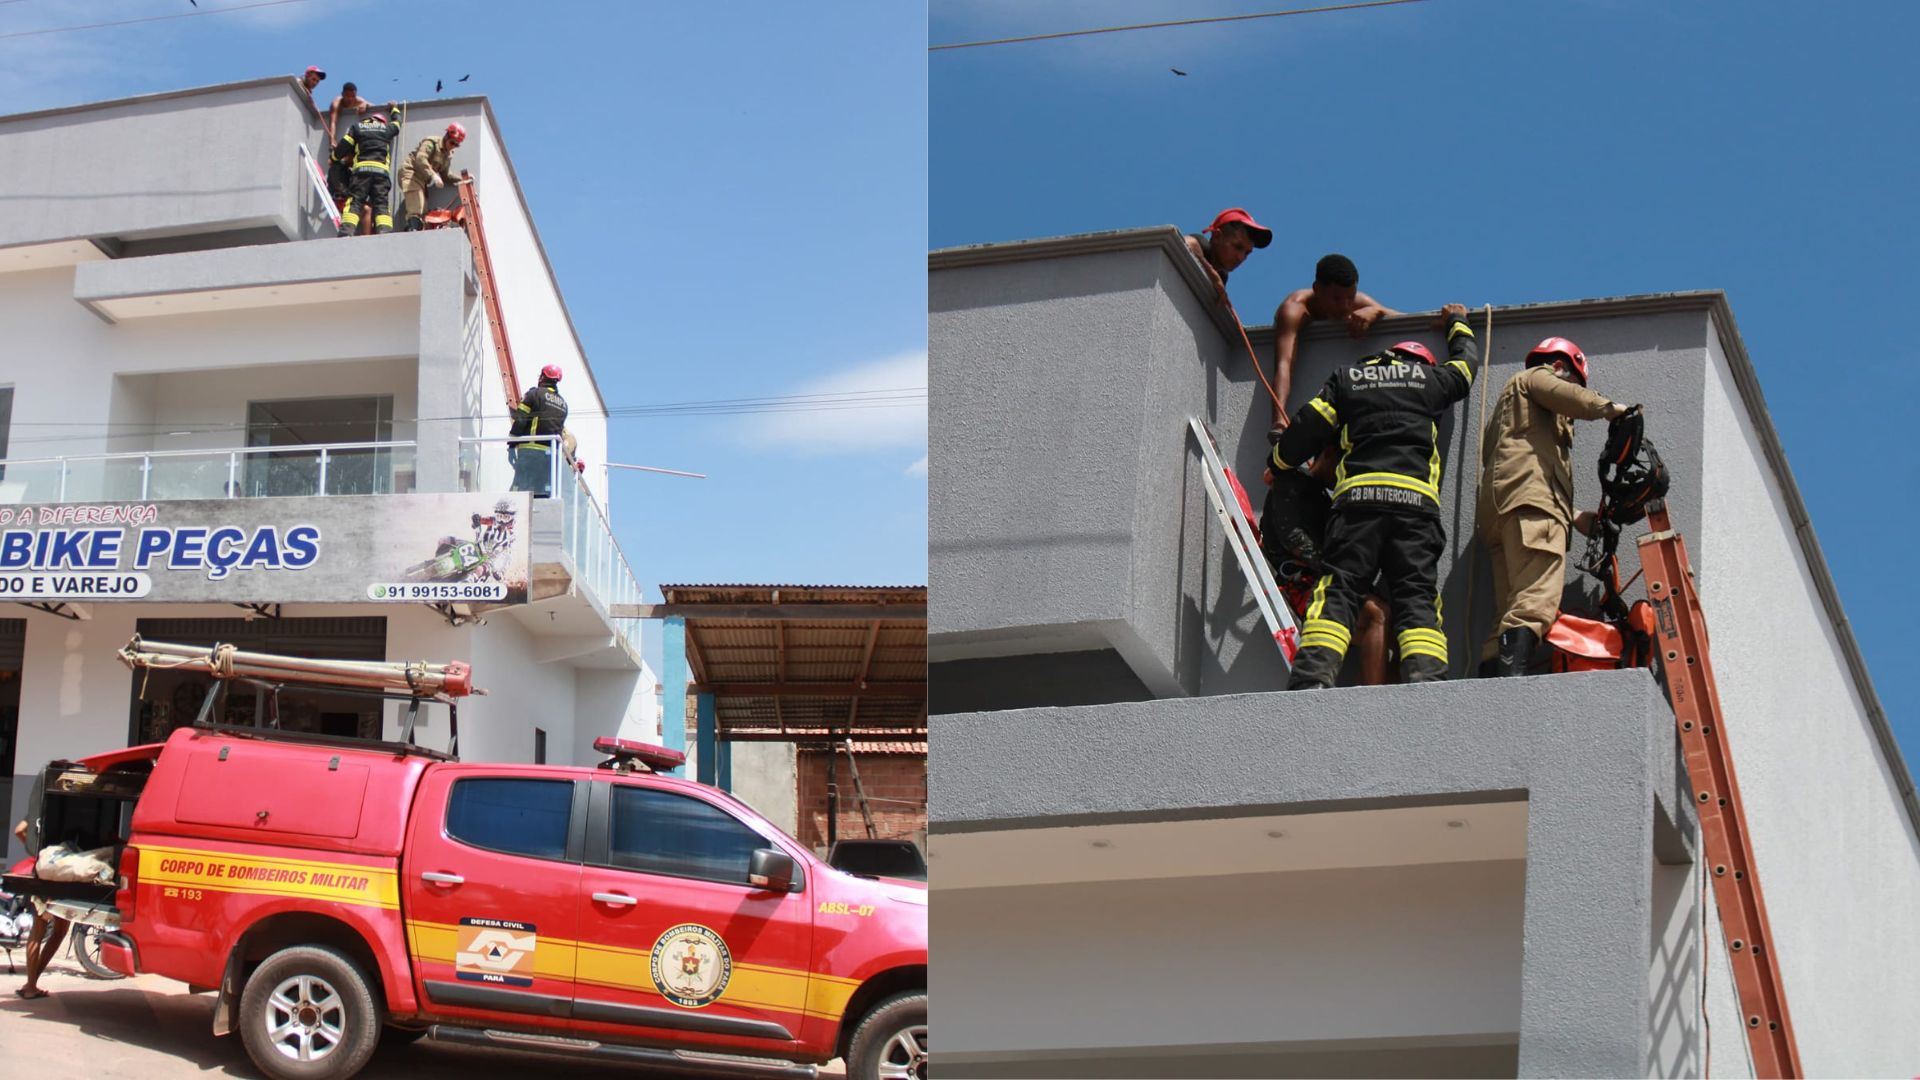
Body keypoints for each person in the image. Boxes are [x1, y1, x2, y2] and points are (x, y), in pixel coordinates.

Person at [1267, 303, 1478, 689]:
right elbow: (1465, 368)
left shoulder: (1349, 378)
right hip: (1416, 508)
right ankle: (1426, 680)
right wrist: (1457, 322)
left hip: (1358, 505)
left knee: (1339, 590)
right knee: (1416, 596)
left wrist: (1279, 463)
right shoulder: (1431, 382)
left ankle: (1313, 678)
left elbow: (1309, 426)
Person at [1477, 336, 1635, 676]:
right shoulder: (1538, 376)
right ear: (1560, 367)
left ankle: (1487, 697)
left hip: (1506, 510)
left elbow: (1524, 466)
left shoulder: (1513, 410)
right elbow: (1568, 396)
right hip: (1531, 509)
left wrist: (1574, 516)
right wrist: (1613, 410)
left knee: (1509, 609)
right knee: (1535, 604)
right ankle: (1510, 691)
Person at [1261, 451, 1392, 686]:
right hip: (1302, 588)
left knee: (1397, 630)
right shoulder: (1291, 483)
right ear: (1327, 454)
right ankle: (1377, 702)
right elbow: (1293, 538)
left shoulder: (1321, 495)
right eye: (1343, 462)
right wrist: (1339, 573)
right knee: (1377, 613)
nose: (1345, 472)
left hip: (1327, 583)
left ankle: (1374, 707)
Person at [1267, 254, 1401, 439]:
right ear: (1317, 289)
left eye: (1350, 297)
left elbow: (1407, 324)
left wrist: (1377, 312)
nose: (1346, 306)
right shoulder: (1294, 309)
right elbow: (1284, 363)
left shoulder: (1358, 302)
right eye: (1336, 299)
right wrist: (1279, 421)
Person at [12, 815, 68, 1001]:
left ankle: (30, 984)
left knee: (38, 929)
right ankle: (31, 984)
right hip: (65, 874)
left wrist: (36, 853)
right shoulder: (70, 812)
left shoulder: (39, 810)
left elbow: (19, 830)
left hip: (42, 872)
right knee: (60, 931)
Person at [1183, 208, 1272, 304]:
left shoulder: (1222, 276)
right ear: (1217, 236)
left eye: (1247, 253)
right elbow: (1187, 243)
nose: (1241, 258)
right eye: (1237, 247)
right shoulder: (1202, 245)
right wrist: (1213, 275)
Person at [337, 109, 402, 237]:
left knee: (355, 202)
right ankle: (385, 232)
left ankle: (346, 231)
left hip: (361, 172)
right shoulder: (386, 129)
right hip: (381, 173)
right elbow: (397, 123)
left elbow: (344, 145)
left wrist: (334, 157)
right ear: (382, 122)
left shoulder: (357, 127)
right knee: (381, 204)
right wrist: (394, 109)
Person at [509, 365, 569, 497]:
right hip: (550, 457)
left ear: (543, 377)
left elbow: (520, 420)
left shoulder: (534, 394)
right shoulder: (563, 404)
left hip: (530, 452)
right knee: (540, 494)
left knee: (518, 491)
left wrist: (511, 445)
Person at [399, 123, 466, 232]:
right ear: (447, 136)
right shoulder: (431, 143)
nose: (453, 146)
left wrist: (461, 180)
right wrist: (433, 175)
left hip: (422, 181)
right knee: (417, 208)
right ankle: (412, 232)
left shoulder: (448, 154)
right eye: (452, 142)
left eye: (456, 145)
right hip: (411, 173)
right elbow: (421, 159)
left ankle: (416, 231)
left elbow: (446, 174)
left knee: (424, 212)